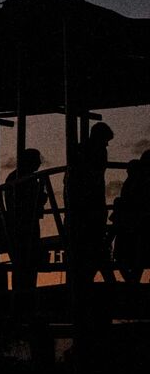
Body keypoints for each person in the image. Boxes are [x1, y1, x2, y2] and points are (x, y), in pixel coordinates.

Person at [64, 122, 114, 285]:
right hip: (89, 207)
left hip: (83, 208)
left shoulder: (80, 150)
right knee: (94, 245)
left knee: (88, 248)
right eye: (106, 140)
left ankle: (87, 281)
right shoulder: (95, 151)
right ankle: (99, 281)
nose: (107, 144)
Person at [4, 148, 47, 296]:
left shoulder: (16, 177)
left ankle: (23, 296)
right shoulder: (23, 178)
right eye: (36, 161)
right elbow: (30, 201)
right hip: (24, 224)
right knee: (25, 262)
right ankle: (24, 297)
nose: (39, 164)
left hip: (23, 223)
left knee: (25, 263)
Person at [111, 151, 150, 284]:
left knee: (128, 253)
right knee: (136, 253)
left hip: (132, 223)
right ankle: (132, 281)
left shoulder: (136, 181)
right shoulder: (139, 181)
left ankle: (132, 281)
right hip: (135, 222)